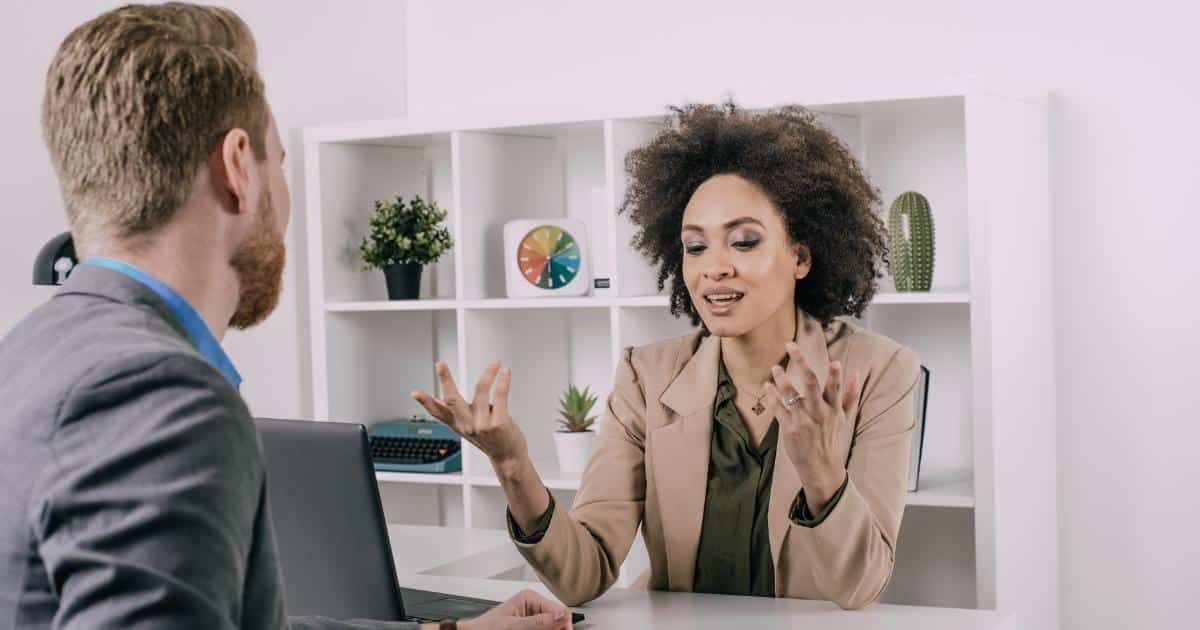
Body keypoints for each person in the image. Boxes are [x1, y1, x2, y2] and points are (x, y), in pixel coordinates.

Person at [0, 4, 570, 629]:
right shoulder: (161, 397)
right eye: (280, 161)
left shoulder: (28, 355)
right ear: (238, 168)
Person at [413, 102, 922, 610]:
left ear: (801, 256)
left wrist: (821, 472)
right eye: (695, 247)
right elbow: (582, 575)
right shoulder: (646, 377)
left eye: (744, 242)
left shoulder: (879, 372)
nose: (714, 268)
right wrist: (511, 463)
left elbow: (860, 587)